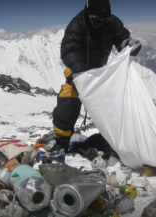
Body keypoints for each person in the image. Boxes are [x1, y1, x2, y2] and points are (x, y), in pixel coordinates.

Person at [51, 0, 142, 152]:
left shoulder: (112, 23)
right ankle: (61, 143)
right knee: (67, 106)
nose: (99, 23)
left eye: (103, 20)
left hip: (100, 76)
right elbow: (68, 50)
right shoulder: (77, 24)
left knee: (111, 109)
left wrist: (128, 44)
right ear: (88, 13)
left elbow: (121, 38)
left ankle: (111, 143)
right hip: (76, 75)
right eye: (95, 19)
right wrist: (80, 73)